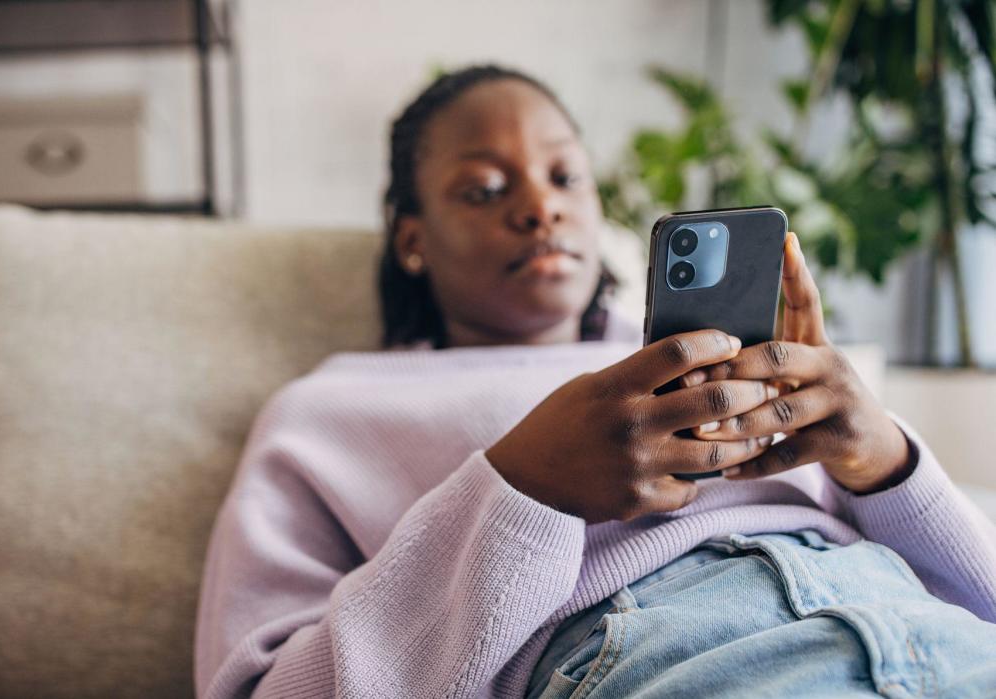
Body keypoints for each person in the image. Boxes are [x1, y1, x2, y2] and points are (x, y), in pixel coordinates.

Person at [193, 65, 996, 698]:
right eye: (485, 189)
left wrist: (886, 459)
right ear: (412, 238)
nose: (541, 207)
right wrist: (526, 489)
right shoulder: (327, 410)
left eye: (565, 177)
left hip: (911, 613)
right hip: (657, 650)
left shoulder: (721, 351)